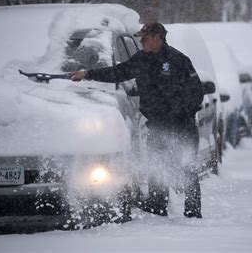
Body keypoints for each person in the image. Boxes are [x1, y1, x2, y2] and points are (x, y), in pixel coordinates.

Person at [70, 22, 204, 218]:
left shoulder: (178, 60)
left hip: (181, 125)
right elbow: (118, 72)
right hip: (157, 125)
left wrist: (180, 113)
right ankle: (158, 207)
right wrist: (87, 74)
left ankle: (193, 213)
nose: (140, 41)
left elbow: (196, 93)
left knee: (185, 166)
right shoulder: (141, 59)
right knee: (156, 164)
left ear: (157, 37)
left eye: (144, 37)